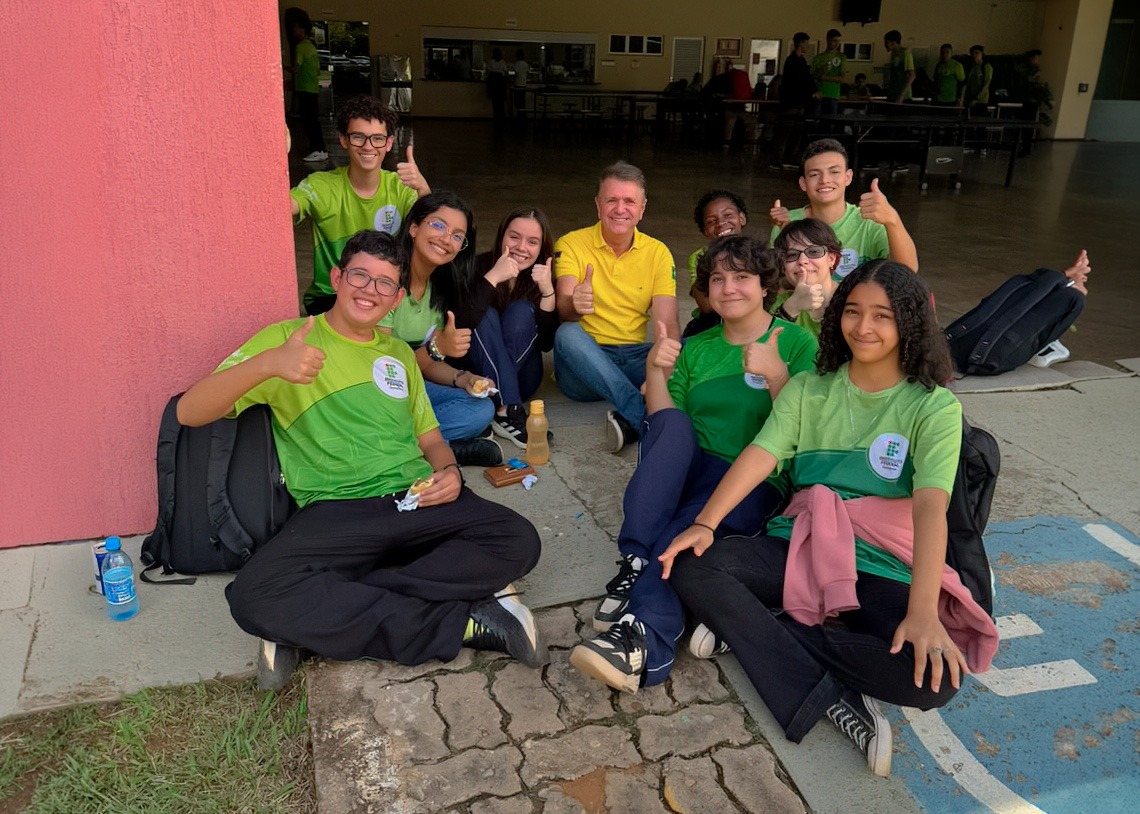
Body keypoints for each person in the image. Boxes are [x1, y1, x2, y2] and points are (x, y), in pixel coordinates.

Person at [661, 260, 999, 777]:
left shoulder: (933, 407)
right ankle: (828, 694)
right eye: (854, 312)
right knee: (696, 566)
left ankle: (762, 630)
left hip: (885, 565)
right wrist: (706, 523)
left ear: (908, 323)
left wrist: (924, 610)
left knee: (932, 679)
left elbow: (931, 508)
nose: (864, 327)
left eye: (883, 316)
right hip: (802, 545)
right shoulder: (810, 388)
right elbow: (761, 455)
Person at [175, 230, 546, 690]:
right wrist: (267, 365)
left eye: (385, 284)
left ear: (395, 299)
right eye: (360, 276)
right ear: (337, 276)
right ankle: (466, 622)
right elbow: (189, 412)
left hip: (417, 499)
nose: (370, 291)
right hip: (336, 510)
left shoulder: (397, 354)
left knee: (518, 539)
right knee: (254, 597)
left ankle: (321, 613)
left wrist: (448, 472)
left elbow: (430, 438)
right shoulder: (289, 339)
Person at [570, 236, 818, 693]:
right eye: (718, 279)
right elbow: (665, 424)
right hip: (690, 467)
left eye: (742, 277)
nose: (728, 288)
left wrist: (776, 375)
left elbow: (803, 437)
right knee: (674, 430)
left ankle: (645, 639)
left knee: (683, 530)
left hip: (753, 479)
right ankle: (638, 556)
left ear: (766, 286)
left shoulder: (798, 343)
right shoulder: (698, 347)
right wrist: (654, 370)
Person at [553, 162, 678, 452]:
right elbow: (563, 311)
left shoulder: (658, 253)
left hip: (634, 359)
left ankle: (631, 408)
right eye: (611, 200)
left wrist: (664, 374)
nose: (620, 209)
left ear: (642, 208)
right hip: (584, 363)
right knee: (567, 334)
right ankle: (641, 413)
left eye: (629, 201)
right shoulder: (572, 243)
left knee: (689, 345)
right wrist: (575, 303)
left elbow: (667, 324)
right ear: (598, 205)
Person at [380, 191, 502, 466]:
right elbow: (384, 369)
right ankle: (437, 448)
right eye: (438, 225)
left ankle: (415, 446)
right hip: (376, 388)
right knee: (390, 413)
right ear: (413, 228)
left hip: (412, 386)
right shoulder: (388, 279)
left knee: (481, 408)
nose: (447, 238)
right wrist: (437, 349)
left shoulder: (441, 287)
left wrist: (463, 378)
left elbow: (426, 366)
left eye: (458, 235)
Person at [292, 95, 431, 315]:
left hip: (384, 294)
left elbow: (432, 232)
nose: (368, 146)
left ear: (388, 143)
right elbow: (282, 209)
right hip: (331, 296)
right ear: (343, 140)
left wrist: (423, 189)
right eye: (358, 137)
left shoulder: (402, 188)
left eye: (377, 138)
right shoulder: (320, 186)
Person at [454, 207, 560, 447]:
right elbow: (463, 321)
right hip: (476, 371)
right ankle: (507, 409)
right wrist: (492, 277)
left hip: (522, 377)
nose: (522, 247)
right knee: (486, 314)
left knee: (522, 311)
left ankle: (496, 403)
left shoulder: (541, 277)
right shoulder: (477, 266)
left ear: (542, 248)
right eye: (514, 237)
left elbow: (545, 344)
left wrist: (547, 292)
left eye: (532, 242)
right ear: (502, 236)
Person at [769, 138, 919, 276]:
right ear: (803, 183)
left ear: (848, 177)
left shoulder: (869, 222)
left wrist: (892, 220)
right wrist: (787, 238)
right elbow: (773, 280)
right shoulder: (786, 222)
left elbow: (908, 272)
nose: (825, 180)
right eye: (814, 174)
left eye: (834, 172)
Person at [684, 191, 750, 338]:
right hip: (709, 325)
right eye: (711, 221)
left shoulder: (756, 253)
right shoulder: (700, 257)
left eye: (728, 215)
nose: (721, 223)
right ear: (705, 231)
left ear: (742, 218)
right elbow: (706, 306)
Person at [770, 218, 842, 337]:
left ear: (831, 259)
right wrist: (791, 308)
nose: (802, 261)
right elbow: (761, 350)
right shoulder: (774, 303)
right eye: (792, 254)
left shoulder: (853, 298)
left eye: (814, 252)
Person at [284, 8, 326, 163]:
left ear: (301, 29)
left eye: (295, 27)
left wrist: (283, 66)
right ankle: (319, 149)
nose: (294, 30)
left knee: (309, 121)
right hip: (312, 88)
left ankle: (318, 149)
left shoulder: (301, 47)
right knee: (312, 120)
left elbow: (296, 68)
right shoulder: (312, 46)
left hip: (304, 88)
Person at [770, 33, 814, 169]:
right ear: (801, 43)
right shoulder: (793, 62)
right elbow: (798, 82)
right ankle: (777, 160)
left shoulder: (801, 61)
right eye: (806, 43)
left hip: (799, 102)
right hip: (791, 102)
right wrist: (810, 92)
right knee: (785, 131)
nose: (807, 46)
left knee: (796, 132)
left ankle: (789, 158)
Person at [811, 29, 847, 113]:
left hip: (833, 94)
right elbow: (812, 75)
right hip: (819, 93)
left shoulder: (842, 57)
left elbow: (842, 78)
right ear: (828, 40)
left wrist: (823, 77)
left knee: (830, 122)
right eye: (834, 41)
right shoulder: (818, 57)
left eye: (838, 41)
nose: (836, 44)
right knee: (817, 121)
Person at [882, 30, 915, 103]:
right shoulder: (893, 54)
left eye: (887, 43)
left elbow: (911, 75)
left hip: (903, 96)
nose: (885, 45)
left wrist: (901, 95)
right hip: (893, 93)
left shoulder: (905, 53)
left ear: (893, 42)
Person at [963, 45, 994, 113]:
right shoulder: (972, 67)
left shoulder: (986, 67)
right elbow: (968, 84)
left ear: (982, 54)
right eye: (972, 53)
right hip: (970, 100)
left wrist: (977, 99)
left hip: (981, 101)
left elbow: (986, 84)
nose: (974, 55)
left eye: (976, 53)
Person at [486, 48, 509, 119]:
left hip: (493, 83)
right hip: (501, 83)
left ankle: (496, 115)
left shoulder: (490, 62)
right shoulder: (503, 62)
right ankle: (501, 116)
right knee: (501, 102)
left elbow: (488, 72)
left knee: (495, 101)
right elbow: (506, 73)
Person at [512, 49, 530, 118]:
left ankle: (519, 115)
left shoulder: (516, 64)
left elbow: (515, 73)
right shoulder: (525, 64)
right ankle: (523, 115)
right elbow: (528, 73)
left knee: (517, 102)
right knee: (522, 102)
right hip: (523, 84)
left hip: (517, 84)